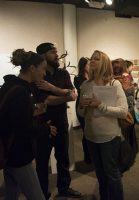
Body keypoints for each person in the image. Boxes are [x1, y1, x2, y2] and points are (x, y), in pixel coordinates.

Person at [0, 49, 57, 200]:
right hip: (19, 154)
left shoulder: (8, 86)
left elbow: (12, 118)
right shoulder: (21, 92)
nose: (44, 74)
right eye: (42, 69)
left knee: (11, 193)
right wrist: (45, 128)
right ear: (32, 68)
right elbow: (23, 128)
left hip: (7, 151)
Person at [31, 42, 81, 199]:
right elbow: (47, 101)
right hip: (44, 124)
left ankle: (64, 188)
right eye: (52, 52)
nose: (56, 54)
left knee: (63, 158)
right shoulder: (38, 75)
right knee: (42, 161)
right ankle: (42, 193)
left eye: (56, 51)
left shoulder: (63, 74)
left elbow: (73, 96)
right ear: (42, 56)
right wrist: (64, 95)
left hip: (61, 122)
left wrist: (53, 89)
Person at [78, 50, 128, 200]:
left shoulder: (114, 83)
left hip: (109, 137)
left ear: (104, 63)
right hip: (91, 136)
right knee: (100, 174)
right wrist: (82, 106)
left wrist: (100, 105)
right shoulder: (86, 84)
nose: (92, 61)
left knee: (112, 174)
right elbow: (81, 114)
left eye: (96, 59)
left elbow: (123, 112)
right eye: (91, 59)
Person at [74, 57, 91, 164]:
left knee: (93, 130)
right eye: (88, 64)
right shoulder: (78, 78)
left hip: (92, 105)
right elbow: (83, 90)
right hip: (82, 107)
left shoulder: (93, 77)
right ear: (83, 66)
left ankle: (93, 155)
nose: (91, 66)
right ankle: (88, 157)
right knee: (86, 132)